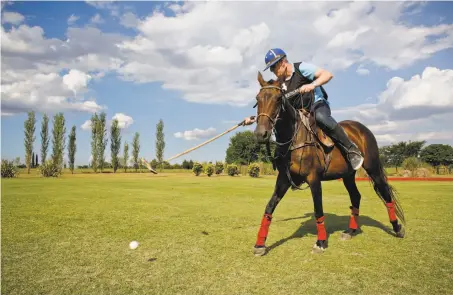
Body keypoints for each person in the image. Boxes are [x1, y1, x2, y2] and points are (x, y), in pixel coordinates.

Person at [244, 48, 364, 170]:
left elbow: (328, 75)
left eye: (273, 67)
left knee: (321, 117)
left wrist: (312, 85)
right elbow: (274, 107)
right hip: (298, 113)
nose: (272, 71)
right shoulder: (279, 84)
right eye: (270, 68)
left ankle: (351, 149)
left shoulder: (301, 68)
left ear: (282, 63)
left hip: (316, 105)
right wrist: (254, 119)